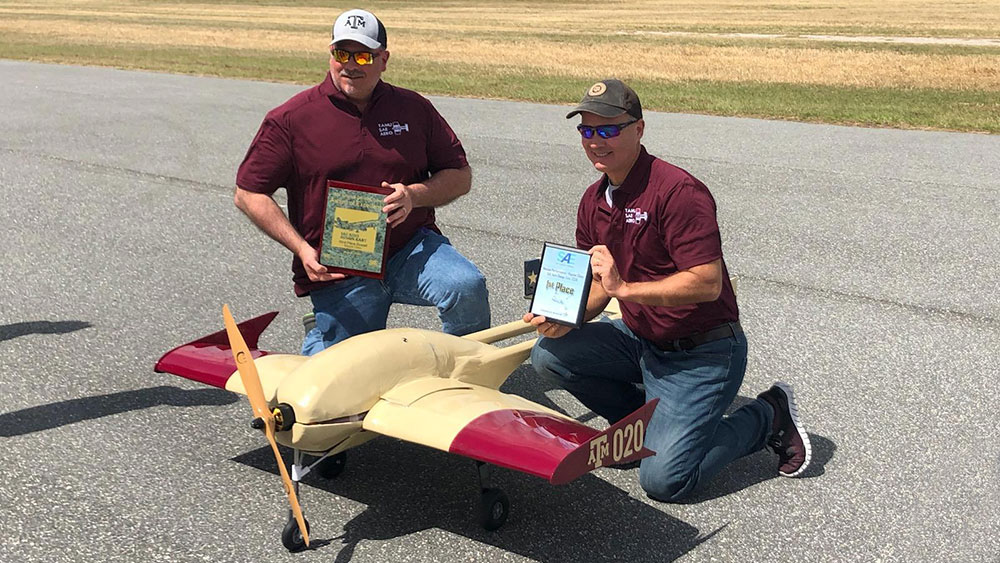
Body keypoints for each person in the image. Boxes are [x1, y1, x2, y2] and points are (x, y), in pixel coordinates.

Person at [524, 79, 811, 501]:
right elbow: (601, 286)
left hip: (703, 352)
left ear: (639, 129)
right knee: (549, 356)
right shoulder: (593, 200)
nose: (596, 141)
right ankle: (644, 430)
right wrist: (566, 317)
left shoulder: (677, 191)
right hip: (643, 341)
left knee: (665, 482)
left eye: (609, 129)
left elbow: (707, 283)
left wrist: (626, 288)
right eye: (587, 130)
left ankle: (767, 415)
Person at [235, 9, 490, 354]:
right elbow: (249, 193)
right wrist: (302, 249)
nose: (350, 65)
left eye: (363, 55)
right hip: (340, 268)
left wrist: (414, 195)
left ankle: (467, 371)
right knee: (333, 389)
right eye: (342, 53)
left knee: (465, 285)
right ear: (331, 54)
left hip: (409, 248)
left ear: (383, 59)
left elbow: (460, 175)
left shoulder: (414, 109)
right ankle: (323, 329)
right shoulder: (291, 119)